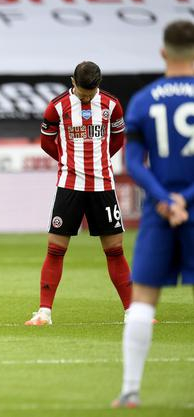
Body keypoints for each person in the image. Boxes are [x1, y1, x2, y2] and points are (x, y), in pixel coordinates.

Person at [112, 20, 194, 409]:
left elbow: (133, 162)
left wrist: (165, 199)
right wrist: (185, 200)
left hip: (160, 213)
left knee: (143, 300)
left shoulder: (144, 100)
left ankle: (130, 390)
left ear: (163, 52)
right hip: (190, 207)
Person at [25, 61, 133, 326]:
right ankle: (44, 313)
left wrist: (99, 161)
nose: (86, 98)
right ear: (73, 82)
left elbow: (117, 139)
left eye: (91, 93)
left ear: (98, 85)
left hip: (103, 186)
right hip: (69, 186)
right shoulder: (57, 107)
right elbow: (46, 142)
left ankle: (133, 312)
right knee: (55, 249)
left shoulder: (111, 105)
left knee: (115, 250)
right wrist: (68, 161)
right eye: (83, 93)